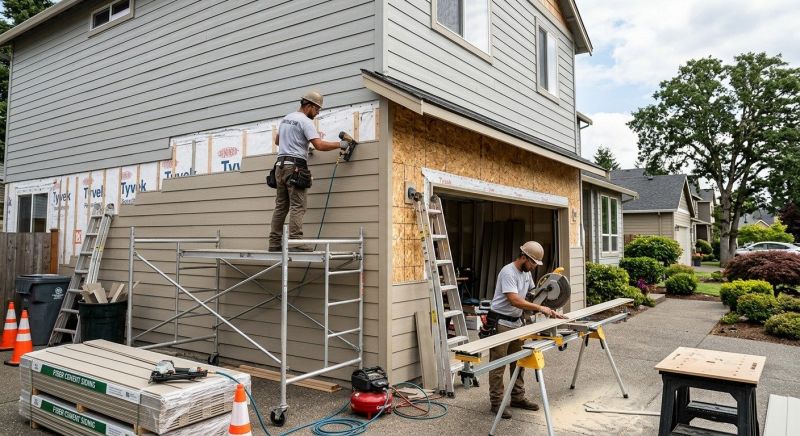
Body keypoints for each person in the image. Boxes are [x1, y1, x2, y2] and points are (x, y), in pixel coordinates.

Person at [487, 241, 568, 419]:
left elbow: (533, 296)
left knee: (519, 362)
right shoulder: (508, 272)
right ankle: (497, 403)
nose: (533, 267)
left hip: (517, 322)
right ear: (523, 257)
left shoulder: (525, 273)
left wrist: (550, 307)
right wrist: (540, 309)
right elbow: (515, 300)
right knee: (498, 364)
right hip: (500, 323)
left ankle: (517, 398)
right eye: (532, 263)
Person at [268, 91, 351, 252]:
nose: (318, 112)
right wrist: (340, 145)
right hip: (295, 167)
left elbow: (278, 141)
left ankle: (274, 243)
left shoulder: (287, 118)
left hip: (279, 166)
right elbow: (319, 145)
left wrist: (299, 145)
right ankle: (295, 242)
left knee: (281, 207)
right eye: (317, 109)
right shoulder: (305, 122)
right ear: (309, 106)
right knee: (298, 205)